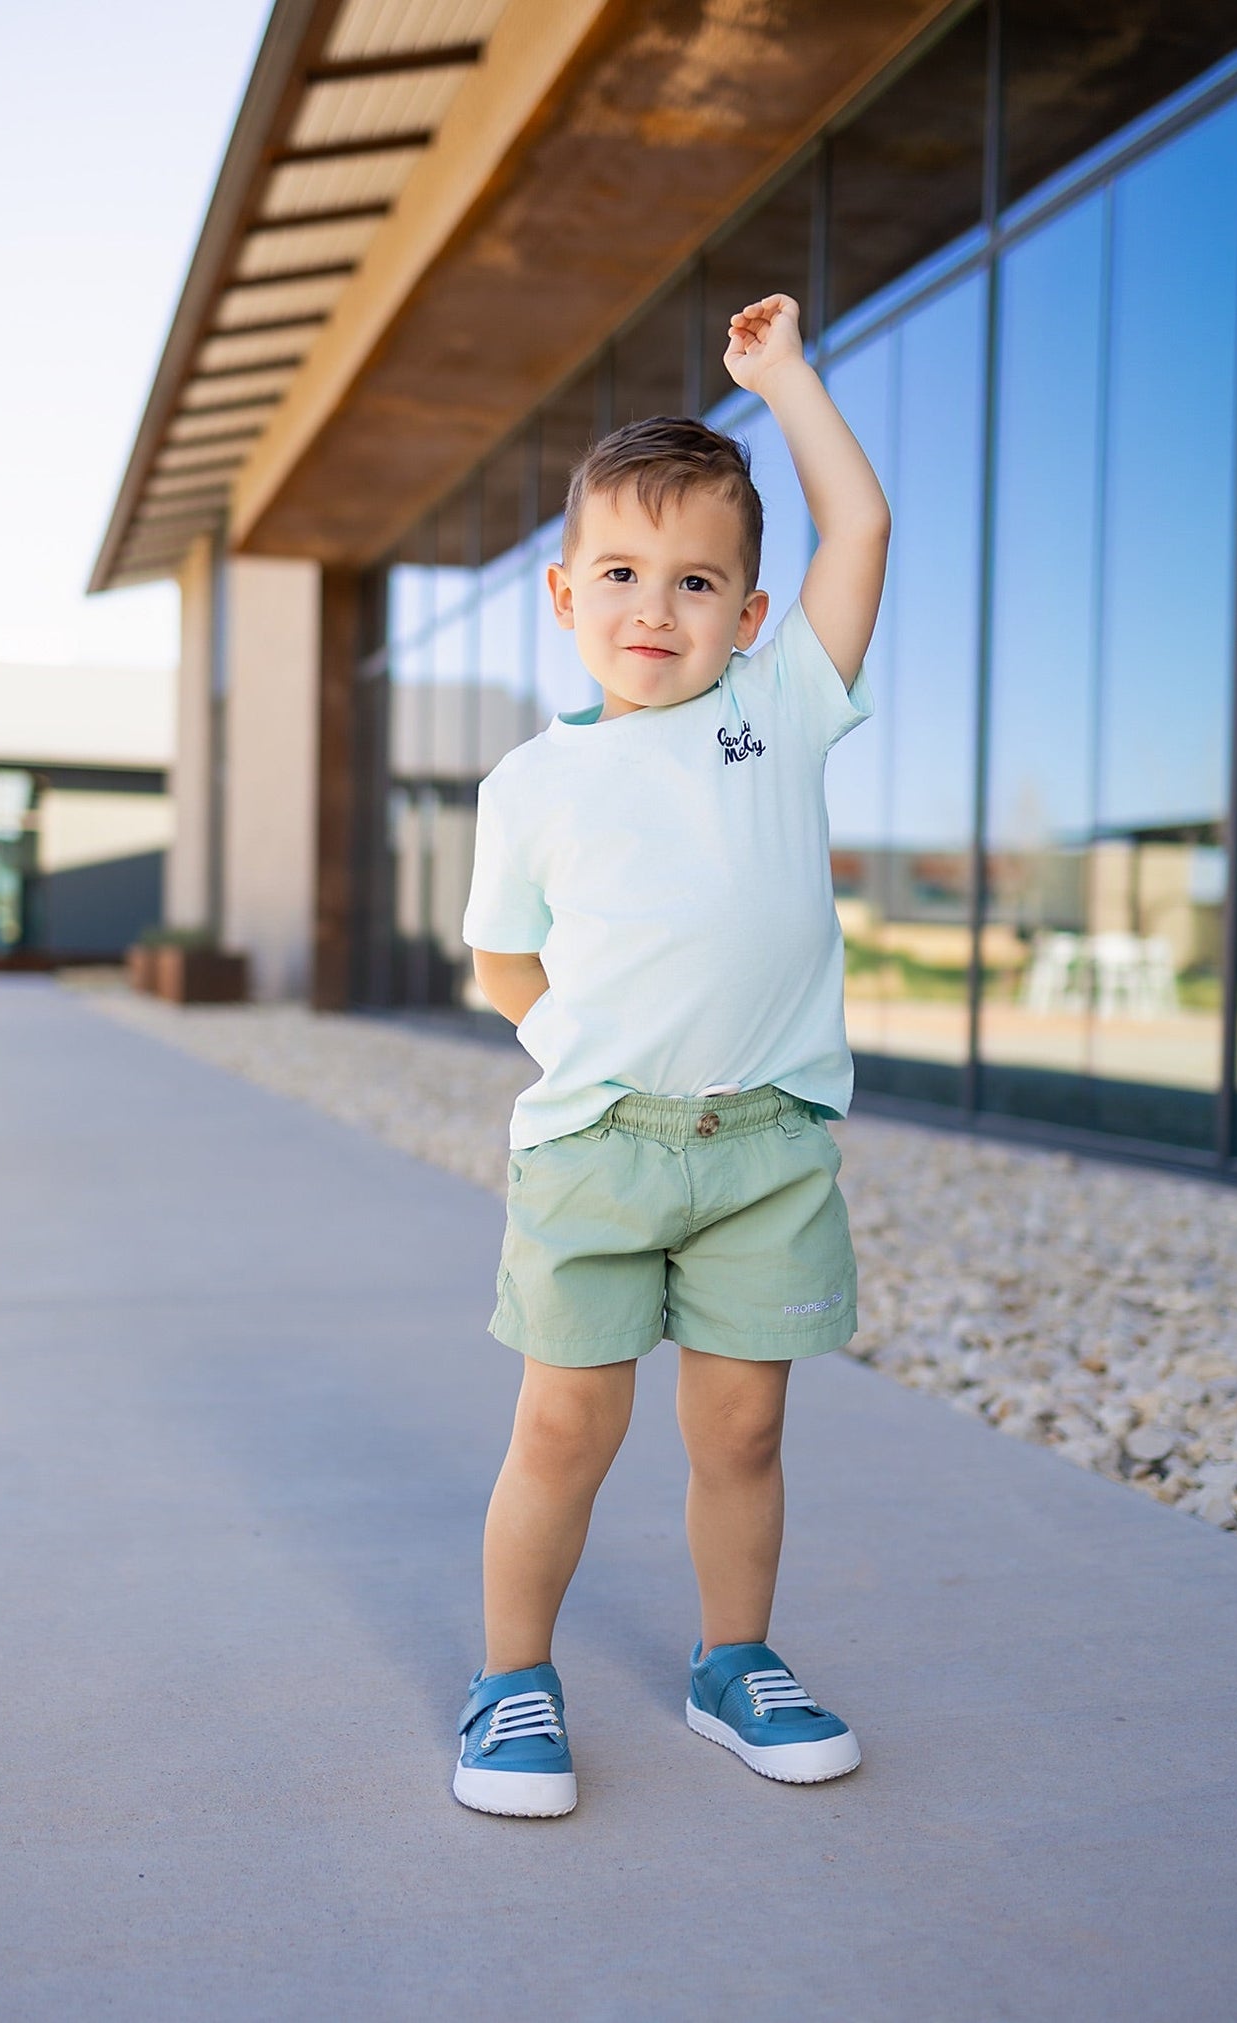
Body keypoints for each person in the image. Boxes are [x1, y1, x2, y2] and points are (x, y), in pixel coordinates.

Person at [455, 294, 890, 1817]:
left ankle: (732, 1663)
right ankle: (511, 1680)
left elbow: (859, 523)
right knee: (564, 1426)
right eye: (624, 574)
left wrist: (780, 380)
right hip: (594, 1149)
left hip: (761, 1144)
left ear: (748, 615)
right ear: (567, 593)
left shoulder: (776, 708)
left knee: (745, 1427)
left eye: (697, 580)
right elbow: (502, 955)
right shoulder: (531, 781)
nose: (658, 606)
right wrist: (566, 1042)